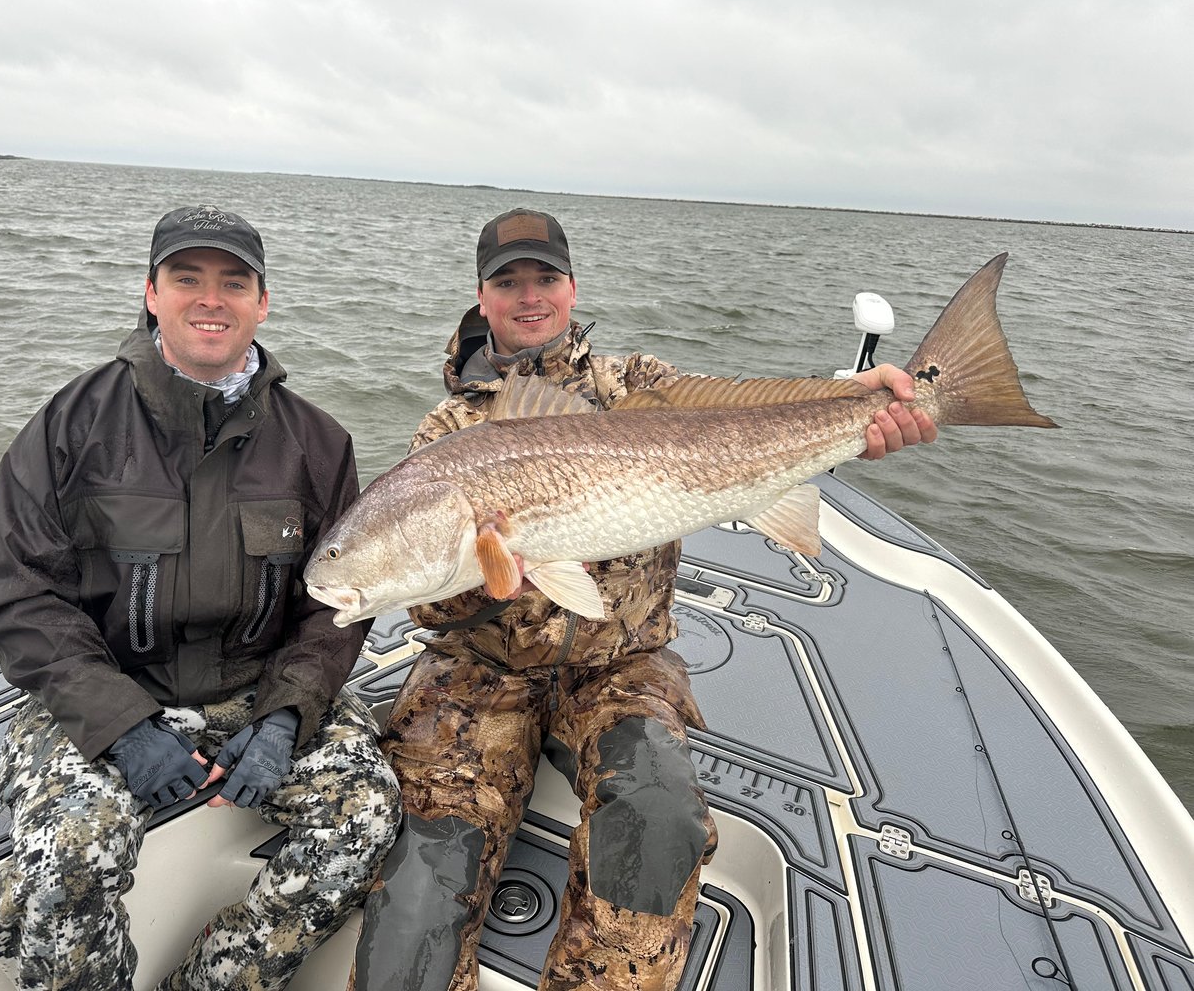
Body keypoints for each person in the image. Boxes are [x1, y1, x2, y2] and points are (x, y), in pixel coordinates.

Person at [348, 208, 938, 991]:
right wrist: (485, 589)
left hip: (621, 665)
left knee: (659, 819)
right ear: (481, 299)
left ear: (571, 286)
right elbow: (423, 602)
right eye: (507, 282)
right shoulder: (450, 427)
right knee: (424, 855)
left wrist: (860, 401)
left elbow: (741, 409)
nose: (529, 297)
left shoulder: (635, 385)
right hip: (480, 673)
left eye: (545, 278)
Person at [0, 204, 402, 991]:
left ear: (262, 302)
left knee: (365, 814)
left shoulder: (318, 441)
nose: (212, 298)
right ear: (151, 293)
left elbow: (341, 600)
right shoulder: (70, 423)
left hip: (254, 687)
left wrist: (283, 714)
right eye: (188, 278)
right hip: (109, 689)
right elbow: (14, 594)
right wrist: (121, 726)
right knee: (70, 846)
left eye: (234, 282)